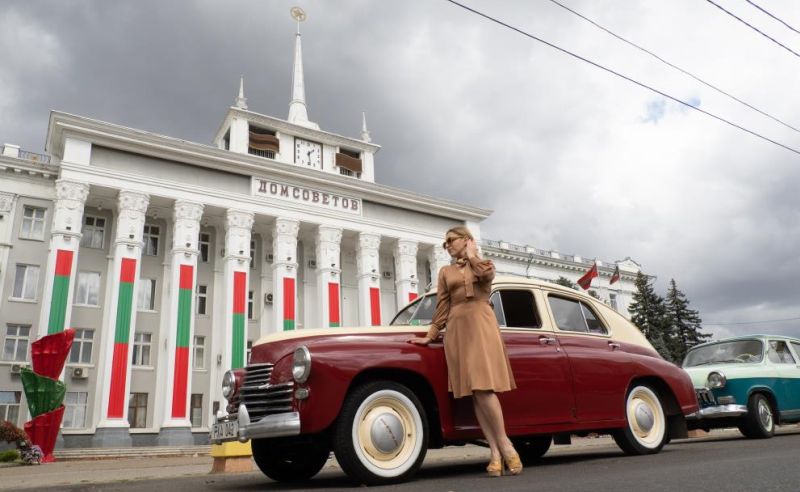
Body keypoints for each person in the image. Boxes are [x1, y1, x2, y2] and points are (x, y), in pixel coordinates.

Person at [408, 226, 522, 477]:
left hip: (481, 323)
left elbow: (487, 276)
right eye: (445, 242)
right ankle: (494, 452)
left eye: (451, 240)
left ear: (466, 240)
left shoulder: (483, 263)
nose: (447, 245)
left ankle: (505, 444)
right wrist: (431, 334)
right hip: (457, 329)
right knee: (475, 392)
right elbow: (442, 305)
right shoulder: (445, 271)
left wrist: (471, 254)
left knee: (484, 387)